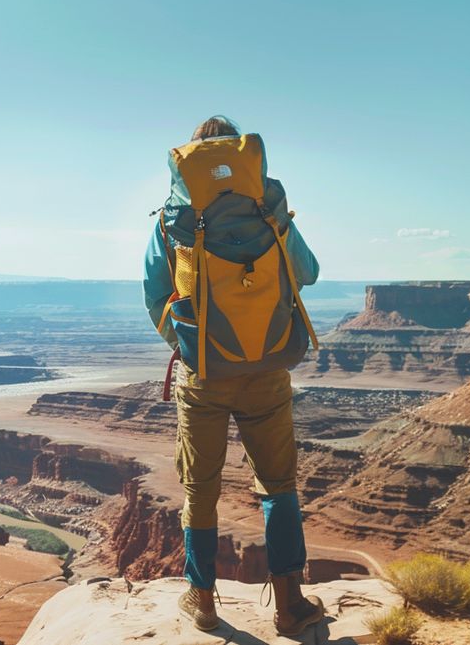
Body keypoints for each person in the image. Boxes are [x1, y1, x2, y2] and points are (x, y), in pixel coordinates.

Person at [141, 115, 325, 636]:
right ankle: (289, 605)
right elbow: (307, 273)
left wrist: (190, 346)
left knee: (200, 489)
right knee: (279, 485)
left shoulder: (172, 221)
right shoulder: (271, 214)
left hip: (203, 375)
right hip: (267, 368)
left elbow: (155, 295)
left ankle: (201, 601)